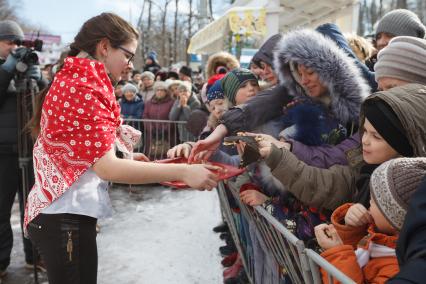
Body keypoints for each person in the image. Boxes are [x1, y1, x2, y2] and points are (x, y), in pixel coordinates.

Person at [24, 13, 219, 284]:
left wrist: (127, 158)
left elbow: (88, 153)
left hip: (63, 216)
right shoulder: (81, 87)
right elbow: (107, 168)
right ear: (104, 47)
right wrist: (182, 173)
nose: (129, 65)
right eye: (128, 55)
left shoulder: (78, 81)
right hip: (64, 218)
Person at [315, 157, 426, 283]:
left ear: (393, 219)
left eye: (374, 201)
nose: (368, 203)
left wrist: (336, 253)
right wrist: (351, 227)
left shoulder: (395, 269)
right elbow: (354, 252)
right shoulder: (379, 234)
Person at [0, 19, 45, 277]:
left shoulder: (27, 66)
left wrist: (39, 82)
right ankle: (1, 261)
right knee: (1, 209)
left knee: (34, 208)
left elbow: (46, 106)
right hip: (2, 152)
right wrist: (6, 70)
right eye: (9, 42)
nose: (15, 48)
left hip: (29, 149)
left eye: (18, 42)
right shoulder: (5, 69)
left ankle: (35, 257)